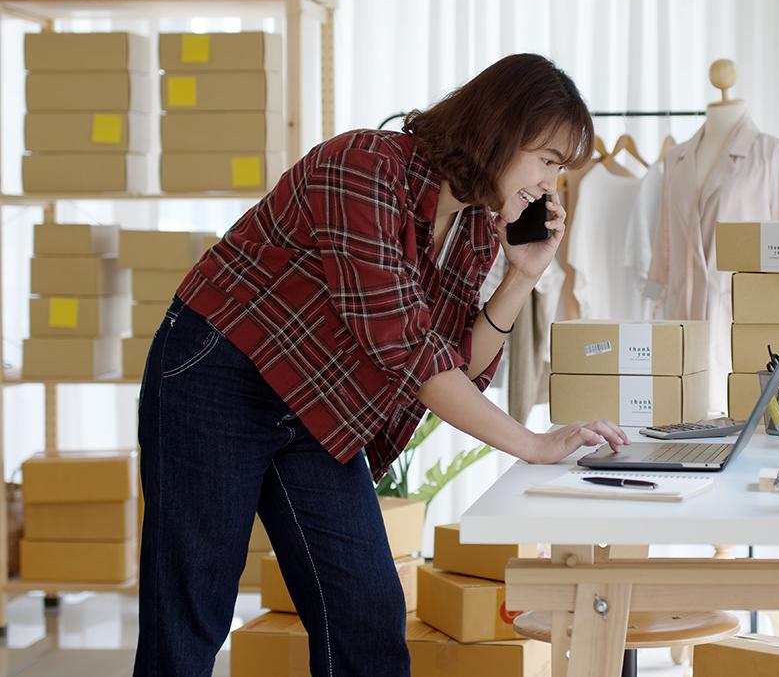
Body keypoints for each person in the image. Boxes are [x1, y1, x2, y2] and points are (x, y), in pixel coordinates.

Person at [133, 53, 630, 676]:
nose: (550, 186)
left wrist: (521, 275)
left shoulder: (476, 227)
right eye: (549, 161)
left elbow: (455, 365)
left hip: (316, 405)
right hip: (222, 373)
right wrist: (530, 444)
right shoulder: (362, 168)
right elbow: (411, 356)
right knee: (191, 614)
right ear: (501, 129)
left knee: (366, 613)